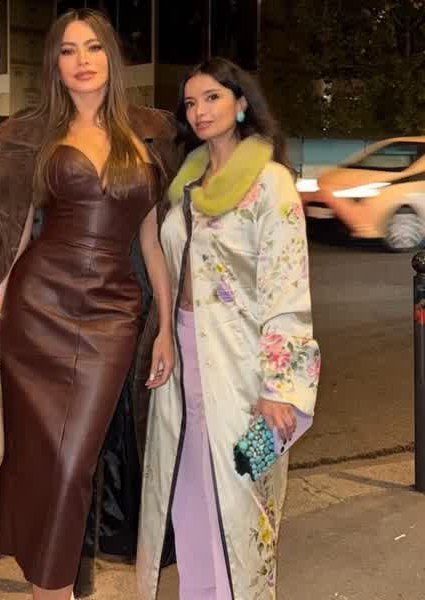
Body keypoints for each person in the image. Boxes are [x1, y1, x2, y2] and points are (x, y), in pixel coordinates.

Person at [0, 9, 182, 600]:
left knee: (73, 465)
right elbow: (15, 240)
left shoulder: (148, 137)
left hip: (114, 316)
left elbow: (153, 242)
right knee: (43, 463)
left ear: (111, 57)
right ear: (55, 64)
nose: (82, 61)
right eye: (68, 50)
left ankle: (50, 580)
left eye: (93, 48)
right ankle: (52, 588)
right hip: (37, 307)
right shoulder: (37, 136)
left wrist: (165, 326)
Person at [137, 58, 321, 600]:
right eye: (191, 102)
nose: (200, 111)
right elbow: (167, 263)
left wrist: (279, 388)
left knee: (242, 503)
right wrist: (164, 333)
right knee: (190, 494)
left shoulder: (270, 184)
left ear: (241, 103)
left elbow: (288, 287)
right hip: (185, 360)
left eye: (213, 97)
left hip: (244, 368)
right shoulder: (187, 184)